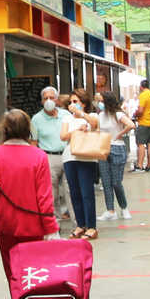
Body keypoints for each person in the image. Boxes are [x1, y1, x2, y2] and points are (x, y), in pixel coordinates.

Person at [0, 109, 58, 280]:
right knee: (34, 272)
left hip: (5, 222)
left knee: (12, 272)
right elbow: (44, 197)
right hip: (34, 225)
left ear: (4, 130)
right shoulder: (39, 156)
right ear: (28, 129)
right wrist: (51, 227)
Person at [59, 95, 103, 240]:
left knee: (86, 193)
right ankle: (80, 225)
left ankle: (91, 226)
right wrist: (77, 130)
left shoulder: (91, 115)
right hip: (69, 156)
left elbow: (95, 124)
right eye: (70, 102)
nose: (72, 104)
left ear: (83, 103)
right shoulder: (67, 118)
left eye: (75, 101)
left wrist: (81, 115)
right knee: (74, 193)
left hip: (86, 157)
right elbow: (63, 136)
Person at [30, 86, 72, 222]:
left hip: (67, 155)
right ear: (41, 101)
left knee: (70, 190)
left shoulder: (66, 115)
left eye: (51, 98)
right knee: (51, 193)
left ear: (57, 100)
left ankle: (76, 222)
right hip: (48, 157)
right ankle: (55, 222)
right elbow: (34, 143)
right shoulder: (36, 119)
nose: (49, 101)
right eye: (45, 98)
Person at [96, 92, 135, 222]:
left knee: (116, 182)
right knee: (106, 182)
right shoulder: (100, 115)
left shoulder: (118, 114)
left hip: (117, 148)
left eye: (101, 101)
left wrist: (120, 134)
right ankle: (110, 210)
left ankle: (124, 207)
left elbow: (131, 125)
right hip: (103, 148)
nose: (99, 103)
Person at [134, 80, 150, 171]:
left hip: (144, 123)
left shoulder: (143, 95)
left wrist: (135, 114)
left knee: (141, 144)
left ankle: (140, 165)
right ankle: (149, 165)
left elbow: (140, 110)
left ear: (141, 87)